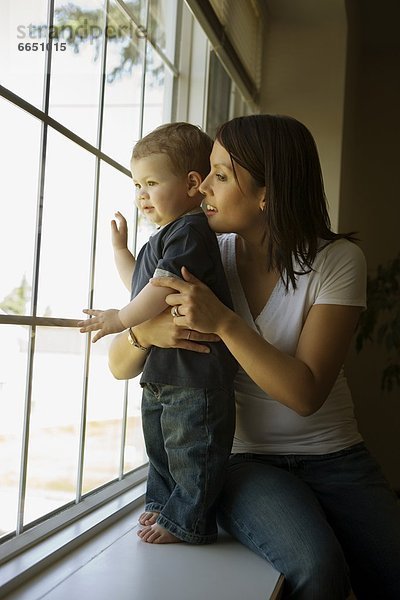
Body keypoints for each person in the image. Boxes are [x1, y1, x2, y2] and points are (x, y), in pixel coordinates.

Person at [108, 114, 400, 599]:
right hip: (242, 460)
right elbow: (120, 365)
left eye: (220, 176)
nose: (203, 190)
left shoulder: (337, 261)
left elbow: (304, 393)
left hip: (336, 455)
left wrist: (222, 321)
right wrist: (147, 333)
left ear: (267, 193)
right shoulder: (202, 251)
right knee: (317, 568)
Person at [79, 122, 237, 545]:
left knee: (191, 450)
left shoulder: (190, 232)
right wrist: (120, 252)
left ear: (190, 184)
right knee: (161, 448)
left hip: (196, 374)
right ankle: (161, 505)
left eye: (151, 182)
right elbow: (141, 286)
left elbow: (157, 292)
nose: (141, 195)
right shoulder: (162, 240)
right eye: (136, 185)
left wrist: (120, 320)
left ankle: (188, 521)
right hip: (165, 371)